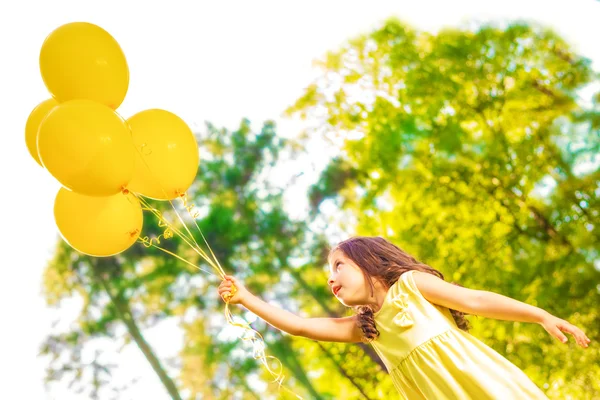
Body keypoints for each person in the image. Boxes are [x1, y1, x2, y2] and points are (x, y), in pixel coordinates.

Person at [218, 236, 591, 399]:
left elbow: (475, 300)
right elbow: (299, 325)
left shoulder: (412, 286)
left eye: (337, 265)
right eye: (327, 273)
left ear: (368, 261)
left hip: (484, 387)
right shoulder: (368, 329)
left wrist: (540, 315)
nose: (330, 278)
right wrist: (247, 298)